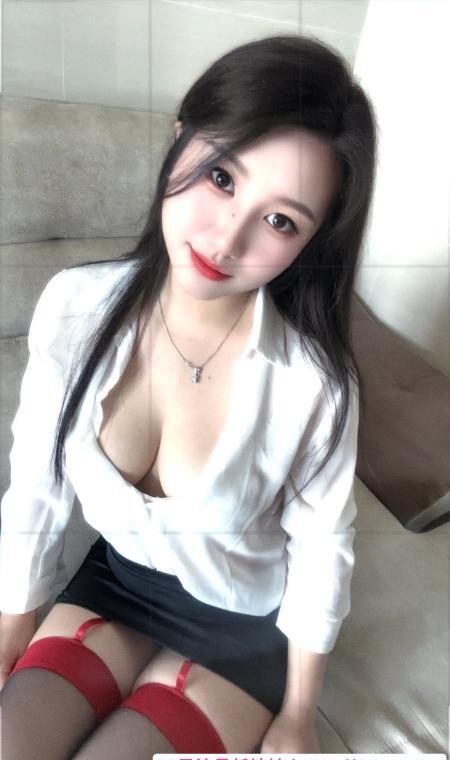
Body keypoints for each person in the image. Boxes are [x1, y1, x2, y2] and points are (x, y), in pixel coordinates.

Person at [0, 33, 376, 758]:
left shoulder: (313, 385)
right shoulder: (76, 308)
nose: (227, 238)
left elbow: (324, 545)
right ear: (180, 139)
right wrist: (13, 622)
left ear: (311, 242)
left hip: (241, 628)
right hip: (114, 583)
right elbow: (38, 482)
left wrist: (298, 717)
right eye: (222, 176)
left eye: (280, 220)